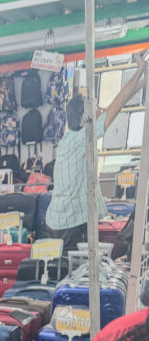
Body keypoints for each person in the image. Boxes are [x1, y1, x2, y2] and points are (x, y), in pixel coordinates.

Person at [46, 53, 147, 252]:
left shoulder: (70, 138)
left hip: (57, 220)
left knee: (64, 272)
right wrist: (139, 71)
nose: (99, 109)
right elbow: (117, 105)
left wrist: (143, 79)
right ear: (85, 118)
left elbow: (117, 104)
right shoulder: (84, 136)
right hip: (67, 222)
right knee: (71, 273)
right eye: (94, 108)